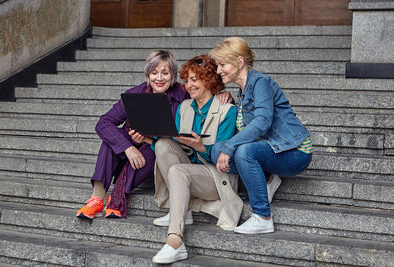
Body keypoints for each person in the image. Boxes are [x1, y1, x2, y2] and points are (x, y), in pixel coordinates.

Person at [209, 37, 313, 235]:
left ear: (239, 62)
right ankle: (267, 180)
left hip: (296, 151)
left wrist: (231, 146)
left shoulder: (260, 82)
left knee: (243, 151)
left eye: (222, 64)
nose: (218, 70)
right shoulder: (243, 89)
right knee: (216, 150)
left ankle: (262, 217)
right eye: (217, 65)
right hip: (272, 149)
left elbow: (262, 122)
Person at [150, 55, 243, 264]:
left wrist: (201, 147)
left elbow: (223, 156)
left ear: (209, 80)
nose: (189, 85)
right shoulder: (184, 108)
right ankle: (183, 210)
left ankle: (175, 240)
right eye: (187, 80)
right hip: (189, 171)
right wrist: (150, 138)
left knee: (178, 171)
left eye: (195, 80)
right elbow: (173, 142)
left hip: (216, 177)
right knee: (163, 144)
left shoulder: (227, 110)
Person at [76, 50, 188, 219]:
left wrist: (225, 96)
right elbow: (104, 123)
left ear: (173, 75)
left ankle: (117, 197)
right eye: (154, 73)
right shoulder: (134, 94)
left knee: (156, 147)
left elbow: (206, 94)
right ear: (147, 75)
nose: (159, 78)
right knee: (110, 140)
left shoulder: (183, 95)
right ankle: (97, 199)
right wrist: (127, 147)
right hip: (132, 148)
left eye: (165, 73)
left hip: (159, 152)